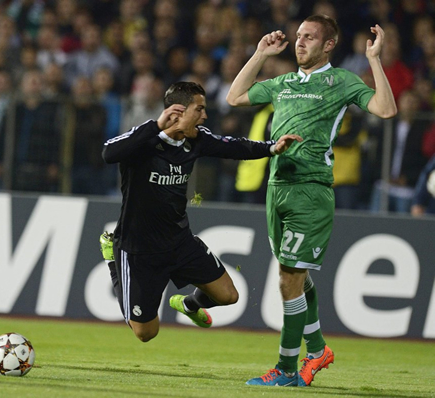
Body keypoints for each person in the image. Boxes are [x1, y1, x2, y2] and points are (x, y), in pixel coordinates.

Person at [226, 15, 397, 387]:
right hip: (277, 187)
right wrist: (258, 54)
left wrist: (374, 60)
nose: (299, 42)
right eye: (298, 36)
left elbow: (385, 109)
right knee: (297, 277)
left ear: (328, 44)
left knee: (288, 278)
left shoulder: (341, 81)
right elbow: (235, 97)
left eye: (309, 37)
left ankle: (287, 369)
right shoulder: (284, 82)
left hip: (311, 190)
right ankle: (318, 350)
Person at [100, 81, 302, 343]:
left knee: (229, 295)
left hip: (179, 242)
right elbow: (108, 152)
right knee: (146, 333)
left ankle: (189, 305)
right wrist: (156, 126)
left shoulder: (196, 139)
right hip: (139, 249)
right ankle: (113, 259)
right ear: (177, 111)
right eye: (199, 109)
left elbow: (234, 146)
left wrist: (272, 147)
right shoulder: (143, 141)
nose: (205, 115)